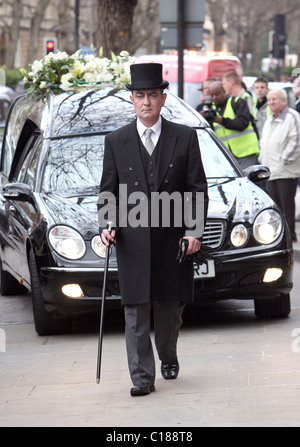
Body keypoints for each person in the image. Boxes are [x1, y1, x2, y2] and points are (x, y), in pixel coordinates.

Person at [98, 63, 208, 397]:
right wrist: (106, 224)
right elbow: (108, 191)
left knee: (169, 308)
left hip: (172, 240)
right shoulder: (116, 140)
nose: (146, 101)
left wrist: (194, 231)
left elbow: (196, 189)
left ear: (163, 98)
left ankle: (168, 354)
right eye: (140, 95)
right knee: (135, 310)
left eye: (152, 95)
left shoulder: (185, 137)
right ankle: (142, 378)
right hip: (132, 241)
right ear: (132, 99)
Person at [259, 89, 300, 241]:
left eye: (274, 99)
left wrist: (284, 160)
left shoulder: (293, 117)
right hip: (271, 170)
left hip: (286, 170)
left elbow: (296, 141)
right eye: (269, 100)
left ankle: (290, 235)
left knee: (287, 205)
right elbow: (264, 141)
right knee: (275, 207)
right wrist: (263, 159)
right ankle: (279, 235)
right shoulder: (270, 119)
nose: (271, 102)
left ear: (284, 101)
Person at [207, 81, 260, 169]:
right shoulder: (210, 108)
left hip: (246, 151)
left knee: (247, 180)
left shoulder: (236, 102)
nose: (214, 97)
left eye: (217, 94)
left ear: (224, 91)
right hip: (227, 155)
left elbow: (242, 123)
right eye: (212, 95)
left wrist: (222, 121)